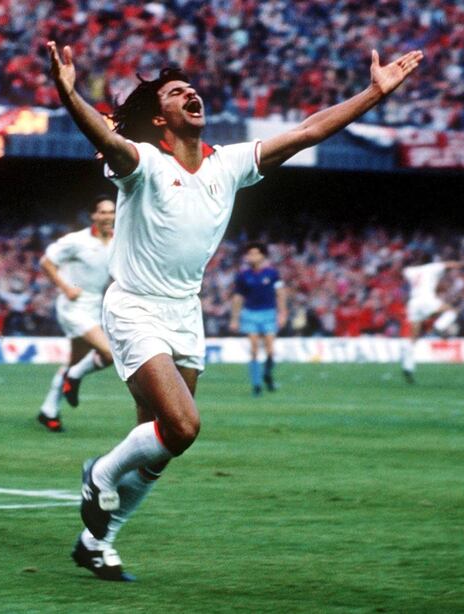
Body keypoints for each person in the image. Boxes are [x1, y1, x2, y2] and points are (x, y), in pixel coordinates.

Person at [46, 39, 423, 581]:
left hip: (185, 313)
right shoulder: (145, 164)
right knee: (183, 425)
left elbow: (309, 130)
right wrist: (68, 92)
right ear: (161, 116)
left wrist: (372, 93)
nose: (190, 92)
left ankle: (97, 541)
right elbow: (104, 134)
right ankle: (98, 475)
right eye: (177, 92)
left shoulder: (228, 165)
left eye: (191, 88)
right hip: (134, 308)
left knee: (161, 446)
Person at [36, 196, 116, 432]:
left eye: (111, 212)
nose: (108, 217)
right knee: (110, 354)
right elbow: (46, 262)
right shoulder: (77, 240)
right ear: (93, 216)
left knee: (75, 362)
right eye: (102, 212)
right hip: (74, 306)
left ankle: (48, 410)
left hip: (95, 305)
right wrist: (65, 287)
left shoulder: (117, 241)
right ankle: (74, 377)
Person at [230, 242, 287, 396]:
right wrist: (235, 318)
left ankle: (267, 374)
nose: (252, 256)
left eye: (255, 253)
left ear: (262, 255)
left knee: (270, 349)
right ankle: (256, 386)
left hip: (269, 313)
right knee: (254, 349)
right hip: (250, 314)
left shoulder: (272, 273)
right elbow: (237, 298)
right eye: (249, 254)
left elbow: (280, 293)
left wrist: (282, 313)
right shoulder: (243, 276)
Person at [400, 256, 464, 383]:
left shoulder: (410, 270)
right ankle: (438, 327)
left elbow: (402, 272)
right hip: (426, 300)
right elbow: (450, 264)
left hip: (413, 303)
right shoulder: (431, 267)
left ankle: (407, 367)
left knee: (413, 338)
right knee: (452, 311)